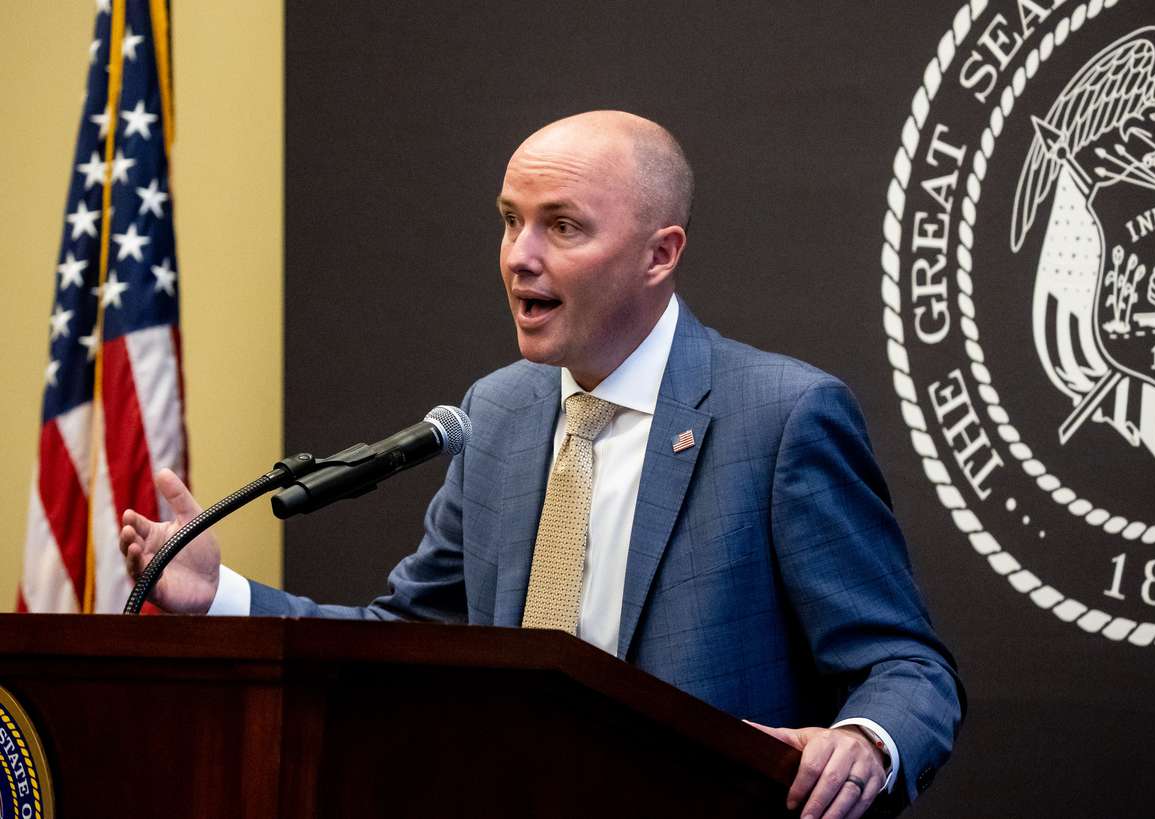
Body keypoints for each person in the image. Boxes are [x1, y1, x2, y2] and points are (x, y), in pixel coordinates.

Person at [121, 110, 963, 819]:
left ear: (659, 254)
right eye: (509, 218)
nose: (519, 255)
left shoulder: (781, 418)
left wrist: (865, 741)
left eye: (561, 225)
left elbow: (906, 666)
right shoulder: (498, 412)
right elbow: (413, 642)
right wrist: (218, 596)